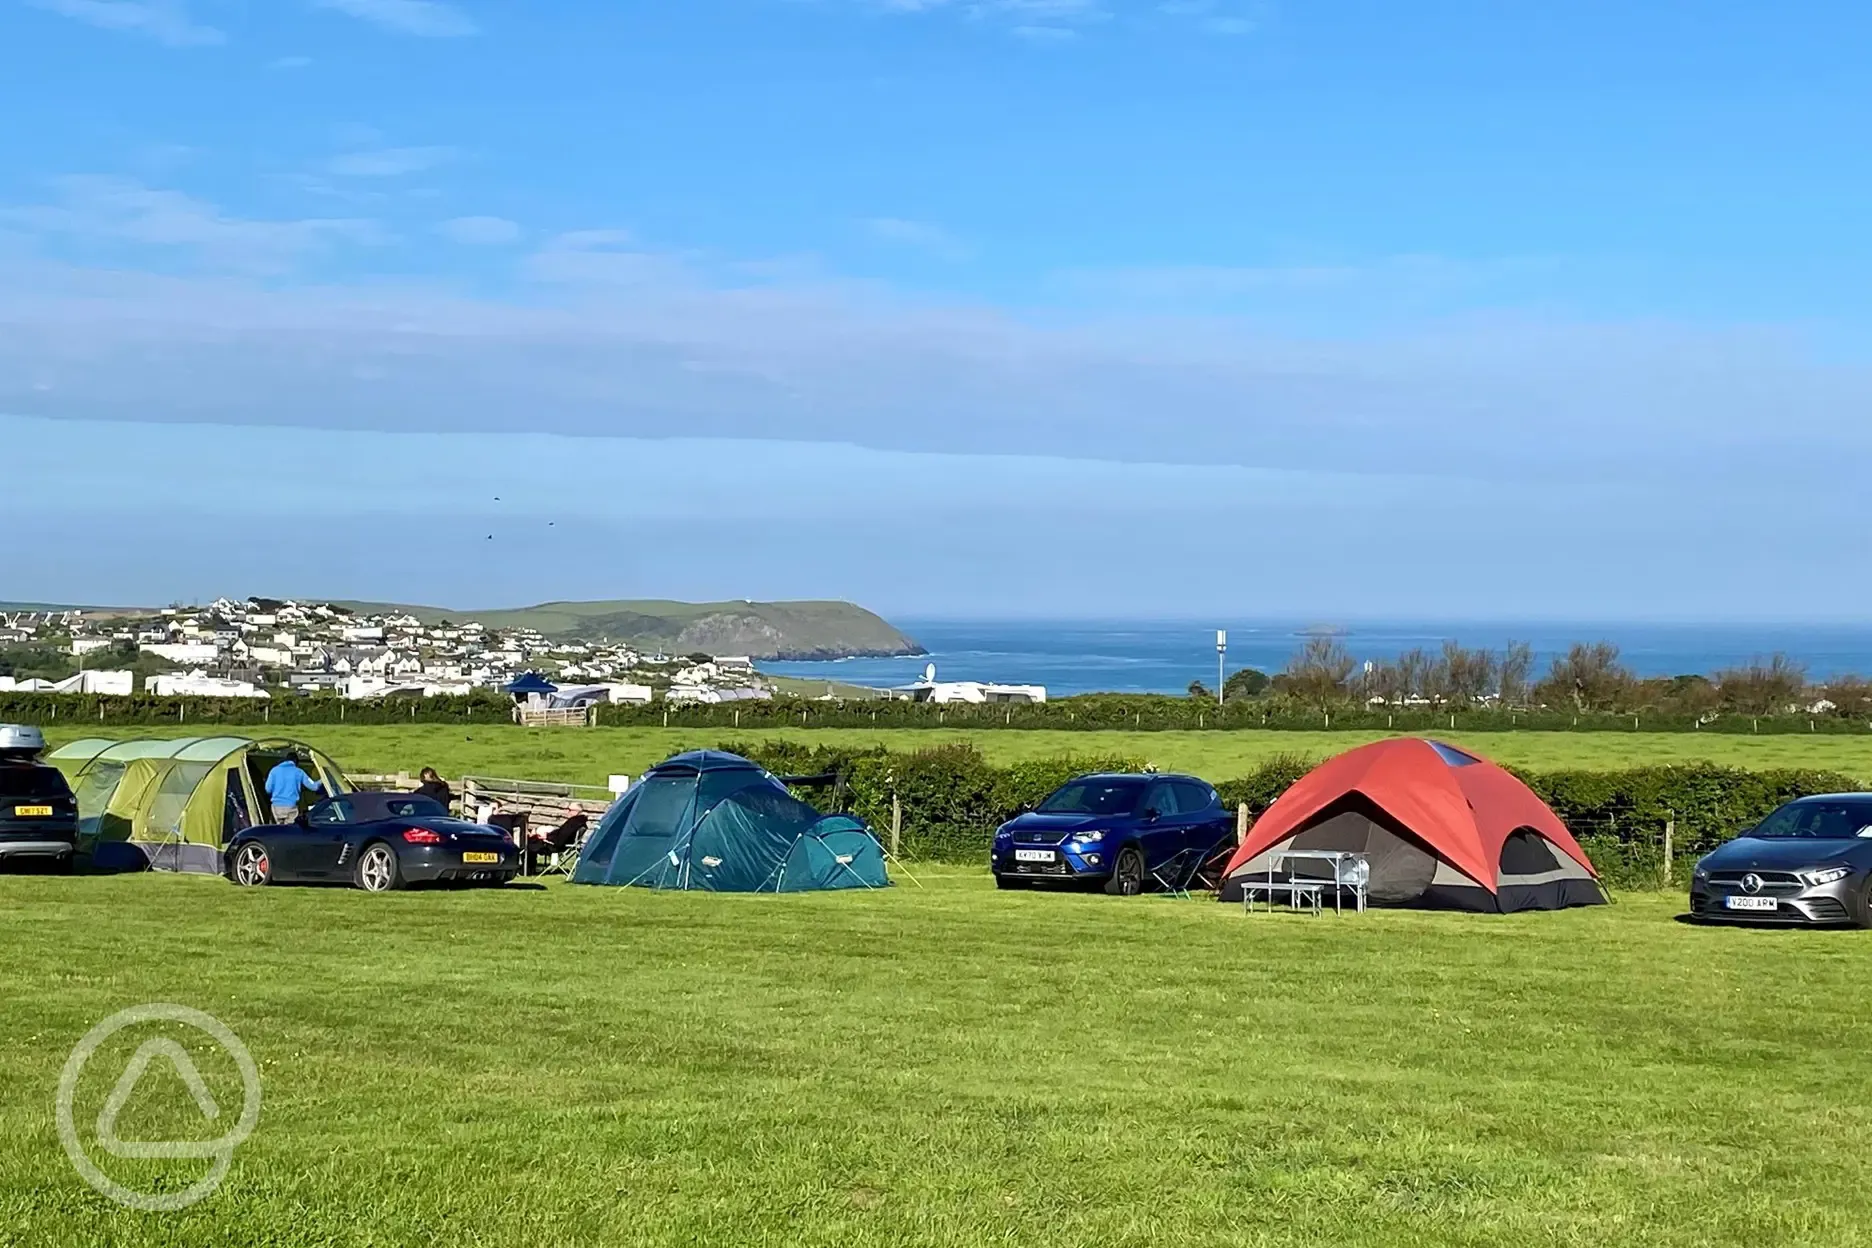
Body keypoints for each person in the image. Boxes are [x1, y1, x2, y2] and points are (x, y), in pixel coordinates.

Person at [265, 756, 324, 824]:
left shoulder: (274, 771)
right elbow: (314, 787)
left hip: (276, 807)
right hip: (291, 806)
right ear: (296, 762)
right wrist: (322, 779)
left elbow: (268, 789)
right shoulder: (299, 771)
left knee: (278, 830)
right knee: (291, 831)